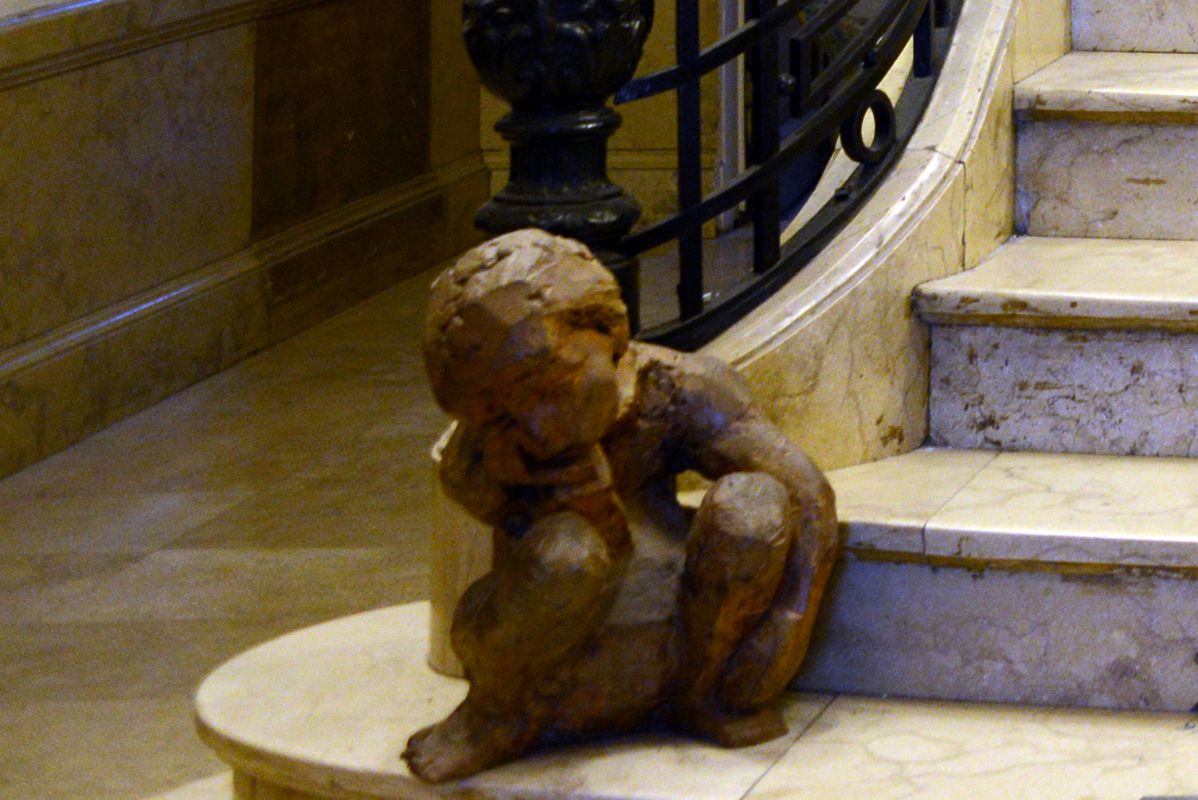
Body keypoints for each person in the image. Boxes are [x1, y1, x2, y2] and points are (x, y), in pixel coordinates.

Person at [405, 229, 838, 782]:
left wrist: (788, 620)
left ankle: (702, 698)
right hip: (550, 656)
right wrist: (532, 491)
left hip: (685, 637)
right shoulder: (493, 446)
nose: (539, 427)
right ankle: (493, 719)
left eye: (550, 387)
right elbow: (469, 487)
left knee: (755, 505)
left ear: (605, 329)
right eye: (506, 413)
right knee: (568, 553)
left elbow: (806, 489)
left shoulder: (680, 389)